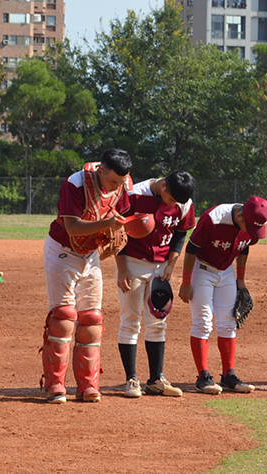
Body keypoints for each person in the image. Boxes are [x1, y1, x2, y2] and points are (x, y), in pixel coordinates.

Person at [40, 149, 133, 404]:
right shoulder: (76, 184)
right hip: (62, 250)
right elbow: (72, 227)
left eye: (121, 182)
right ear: (101, 171)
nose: (117, 187)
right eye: (113, 181)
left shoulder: (124, 185)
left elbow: (119, 219)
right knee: (63, 317)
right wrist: (107, 225)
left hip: (90, 254)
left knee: (92, 319)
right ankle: (55, 385)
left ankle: (88, 385)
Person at [178, 195, 267, 395]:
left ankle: (229, 375)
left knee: (228, 322)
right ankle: (203, 377)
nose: (253, 232)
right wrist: (186, 282)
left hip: (227, 272)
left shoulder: (252, 223)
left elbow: (244, 248)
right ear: (240, 216)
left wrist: (241, 280)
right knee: (203, 323)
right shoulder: (213, 219)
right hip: (202, 270)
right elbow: (191, 248)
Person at [114, 171, 196, 398]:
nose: (174, 204)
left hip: (161, 268)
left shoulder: (184, 203)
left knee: (158, 322)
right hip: (132, 263)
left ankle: (155, 379)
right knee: (131, 320)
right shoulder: (133, 195)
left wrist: (171, 265)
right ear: (163, 186)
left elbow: (181, 233)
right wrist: (121, 268)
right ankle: (131, 379)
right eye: (172, 199)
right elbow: (117, 231)